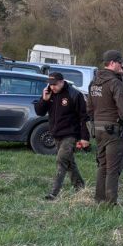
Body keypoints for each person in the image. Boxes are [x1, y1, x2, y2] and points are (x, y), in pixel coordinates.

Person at [87, 50, 123, 205]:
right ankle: (110, 202)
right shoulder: (115, 82)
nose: (121, 66)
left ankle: (99, 199)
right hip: (114, 129)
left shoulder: (94, 82)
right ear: (113, 63)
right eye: (120, 63)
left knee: (102, 165)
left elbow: (89, 109)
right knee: (113, 168)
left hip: (98, 128)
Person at [35, 71, 89, 200]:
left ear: (62, 82)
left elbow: (84, 117)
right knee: (69, 162)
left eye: (55, 84)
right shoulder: (49, 93)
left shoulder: (74, 94)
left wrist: (85, 137)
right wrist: (44, 99)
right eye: (50, 84)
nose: (52, 87)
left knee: (61, 161)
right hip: (56, 133)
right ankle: (80, 187)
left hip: (70, 134)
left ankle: (53, 193)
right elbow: (39, 112)